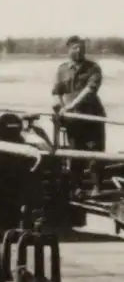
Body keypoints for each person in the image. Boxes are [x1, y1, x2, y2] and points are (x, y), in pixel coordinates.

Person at [52, 35, 106, 198]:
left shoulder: (93, 68)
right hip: (72, 119)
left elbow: (90, 91)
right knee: (75, 152)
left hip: (91, 116)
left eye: (82, 47)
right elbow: (56, 91)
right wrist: (60, 108)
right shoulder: (62, 69)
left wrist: (71, 105)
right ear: (68, 49)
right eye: (75, 47)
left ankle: (97, 187)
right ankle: (76, 188)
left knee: (94, 151)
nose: (79, 50)